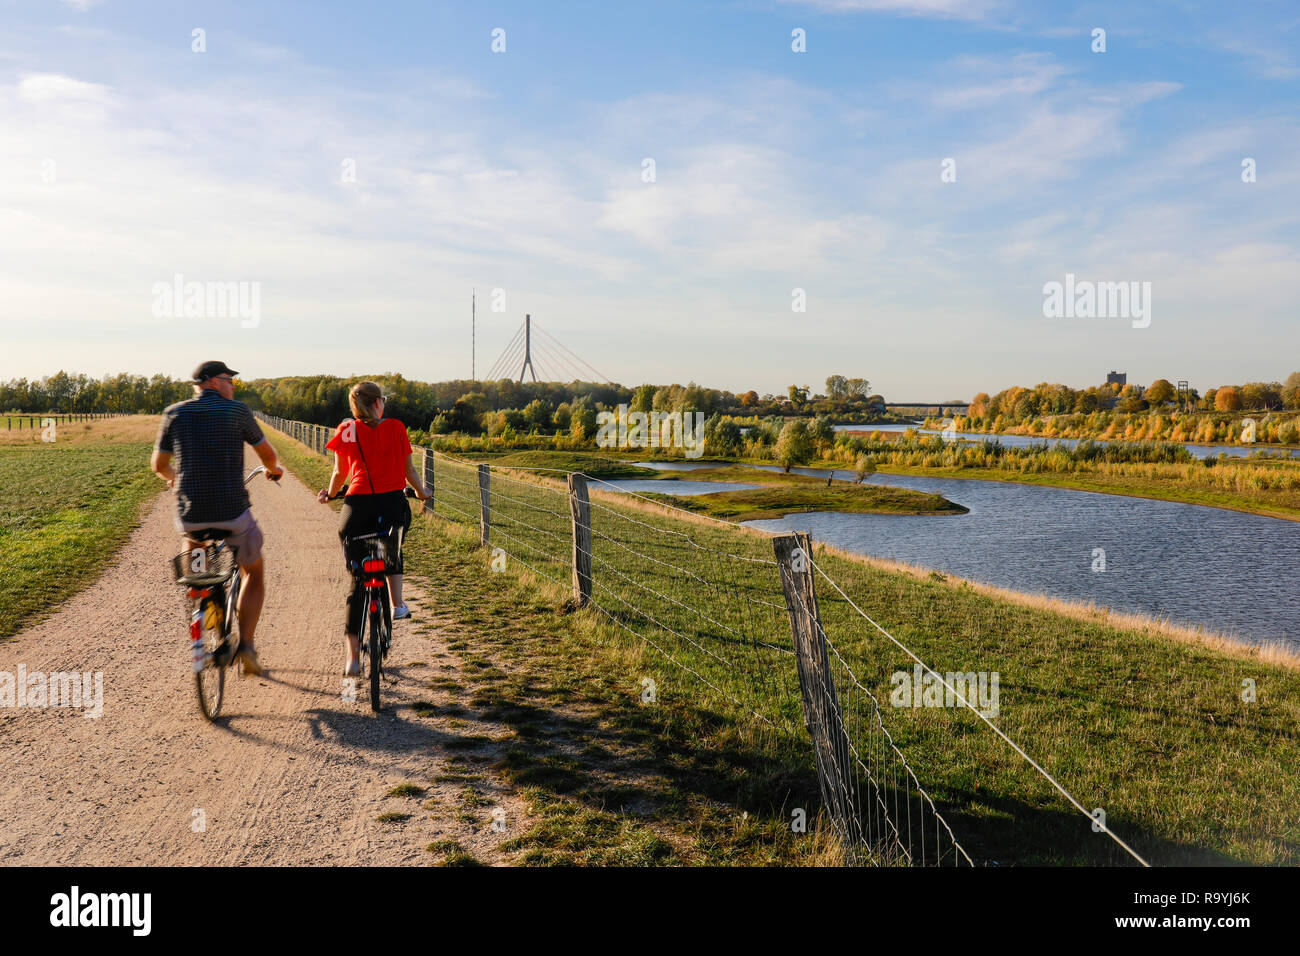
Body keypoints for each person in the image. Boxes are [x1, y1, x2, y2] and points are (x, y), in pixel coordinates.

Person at [152, 360, 283, 676]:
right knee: (253, 570)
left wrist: (173, 479)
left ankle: (212, 618)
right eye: (229, 380)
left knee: (197, 563)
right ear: (211, 382)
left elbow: (159, 464)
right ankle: (247, 646)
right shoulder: (236, 411)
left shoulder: (174, 413)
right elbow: (267, 454)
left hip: (192, 517)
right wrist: (272, 470)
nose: (232, 385)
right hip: (232, 514)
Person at [317, 382, 431, 676]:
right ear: (378, 402)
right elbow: (409, 471)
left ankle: (352, 660)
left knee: (358, 579)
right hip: (392, 505)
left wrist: (330, 494)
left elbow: (339, 473)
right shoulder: (396, 428)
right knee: (392, 544)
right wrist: (421, 492)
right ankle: (397, 605)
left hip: (357, 509)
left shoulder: (346, 430)